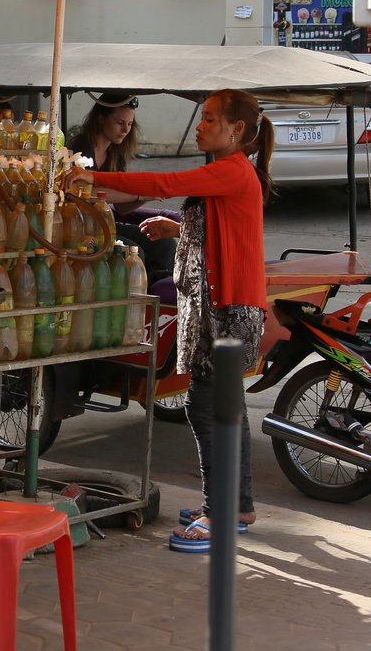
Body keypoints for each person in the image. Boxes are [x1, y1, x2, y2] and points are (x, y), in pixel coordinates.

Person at [66, 89, 271, 552]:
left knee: (209, 408)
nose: (199, 127)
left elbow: (163, 182)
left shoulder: (231, 169)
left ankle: (223, 513)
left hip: (228, 308)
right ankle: (235, 506)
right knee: (222, 409)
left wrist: (88, 177)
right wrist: (176, 229)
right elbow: (222, 227)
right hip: (218, 303)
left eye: (209, 119)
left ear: (235, 130)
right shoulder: (230, 174)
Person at [66, 93, 178, 278]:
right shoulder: (79, 147)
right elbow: (89, 193)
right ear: (101, 118)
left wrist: (147, 196)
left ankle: (159, 292)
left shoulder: (115, 153)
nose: (125, 129)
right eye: (119, 122)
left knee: (163, 244)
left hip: (105, 223)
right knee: (133, 252)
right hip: (81, 228)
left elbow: (121, 207)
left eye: (129, 124)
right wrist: (138, 194)